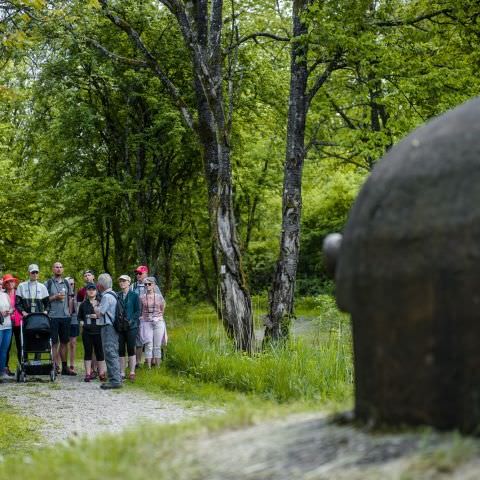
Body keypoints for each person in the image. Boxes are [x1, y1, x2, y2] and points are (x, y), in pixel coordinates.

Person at [45, 261, 75, 376]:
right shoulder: (48, 283)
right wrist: (55, 297)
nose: (58, 269)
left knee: (64, 342)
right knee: (54, 342)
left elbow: (70, 299)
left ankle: (64, 367)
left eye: (60, 267)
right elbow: (45, 300)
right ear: (53, 269)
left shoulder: (67, 283)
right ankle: (54, 366)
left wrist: (70, 312)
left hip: (65, 316)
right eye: (56, 267)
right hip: (52, 316)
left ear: (63, 269)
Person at [95, 273, 122, 389]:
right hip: (114, 327)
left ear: (100, 285)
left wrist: (95, 307)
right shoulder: (114, 294)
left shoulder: (106, 297)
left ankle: (115, 380)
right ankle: (116, 378)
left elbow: (100, 313)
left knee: (110, 353)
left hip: (108, 327)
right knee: (113, 352)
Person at [132, 265, 162, 366]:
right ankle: (137, 363)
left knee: (152, 340)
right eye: (137, 273)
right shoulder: (133, 286)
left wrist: (159, 316)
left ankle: (152, 362)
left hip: (152, 319)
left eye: (140, 273)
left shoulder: (154, 286)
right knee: (139, 340)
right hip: (138, 318)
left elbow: (161, 302)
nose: (138, 275)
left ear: (146, 274)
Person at [77, 282, 106, 382]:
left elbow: (105, 314)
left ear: (96, 291)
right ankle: (88, 374)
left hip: (99, 330)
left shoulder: (101, 302)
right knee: (88, 352)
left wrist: (97, 316)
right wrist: (81, 323)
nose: (91, 291)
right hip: (87, 331)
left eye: (93, 289)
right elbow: (79, 317)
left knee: (100, 352)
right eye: (89, 290)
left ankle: (102, 373)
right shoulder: (83, 304)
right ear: (87, 292)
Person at [139, 277, 167, 368]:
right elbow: (140, 310)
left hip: (158, 322)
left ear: (154, 285)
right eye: (145, 284)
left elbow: (162, 308)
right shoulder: (142, 297)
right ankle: (149, 367)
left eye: (149, 284)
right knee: (148, 344)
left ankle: (158, 367)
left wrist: (158, 317)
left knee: (157, 345)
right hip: (146, 322)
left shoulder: (159, 297)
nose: (147, 286)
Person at [117, 275, 140, 381]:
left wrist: (131, 321)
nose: (122, 283)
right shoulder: (117, 295)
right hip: (120, 327)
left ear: (129, 283)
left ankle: (132, 372)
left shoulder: (134, 296)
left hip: (132, 327)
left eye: (124, 281)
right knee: (121, 349)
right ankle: (121, 372)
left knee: (131, 348)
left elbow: (138, 311)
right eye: (120, 281)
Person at [3, 274, 21, 376]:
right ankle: (5, 368)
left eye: (12, 281)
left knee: (20, 345)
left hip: (18, 322)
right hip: (7, 323)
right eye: (8, 282)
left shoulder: (19, 293)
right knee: (7, 346)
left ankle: (22, 366)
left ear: (14, 283)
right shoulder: (2, 295)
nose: (10, 283)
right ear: (5, 284)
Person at [65, 276, 79, 375]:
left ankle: (72, 365)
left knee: (73, 343)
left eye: (72, 284)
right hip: (63, 318)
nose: (70, 285)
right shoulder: (62, 293)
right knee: (62, 343)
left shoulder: (77, 294)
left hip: (74, 318)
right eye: (69, 283)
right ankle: (59, 365)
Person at [0, 287, 12, 381]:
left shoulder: (6, 295)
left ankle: (2, 372)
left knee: (4, 350)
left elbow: (12, 308)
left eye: (0, 284)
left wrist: (10, 311)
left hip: (8, 326)